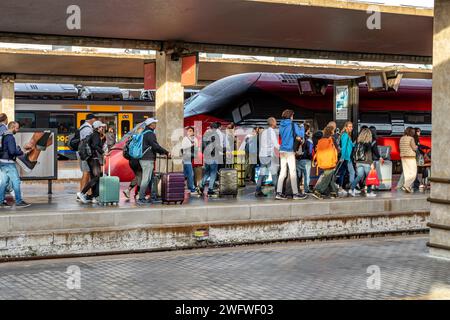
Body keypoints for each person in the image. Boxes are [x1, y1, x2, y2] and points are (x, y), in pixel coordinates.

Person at [137, 118, 170, 205]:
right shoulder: (150, 134)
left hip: (144, 158)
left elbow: (152, 146)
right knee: (146, 179)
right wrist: (166, 152)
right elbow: (155, 146)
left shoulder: (144, 133)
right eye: (154, 123)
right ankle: (141, 198)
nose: (155, 125)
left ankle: (153, 196)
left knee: (151, 179)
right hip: (147, 159)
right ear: (150, 125)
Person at [275, 109, 307, 201]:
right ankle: (295, 193)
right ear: (291, 116)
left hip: (282, 150)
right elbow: (300, 134)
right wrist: (302, 127)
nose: (293, 117)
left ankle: (279, 193)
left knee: (282, 172)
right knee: (292, 172)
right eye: (293, 115)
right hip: (289, 151)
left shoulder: (281, 125)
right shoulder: (293, 124)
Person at [0, 121, 31, 208]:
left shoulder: (4, 135)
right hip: (9, 163)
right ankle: (19, 201)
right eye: (17, 128)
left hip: (2, 162)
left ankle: (0, 201)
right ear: (13, 127)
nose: (17, 130)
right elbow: (12, 151)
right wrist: (20, 151)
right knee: (16, 182)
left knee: (4, 183)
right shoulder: (10, 137)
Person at [77, 121, 107, 204]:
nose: (102, 128)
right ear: (97, 128)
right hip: (94, 158)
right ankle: (82, 193)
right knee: (96, 177)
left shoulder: (95, 135)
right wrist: (103, 152)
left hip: (91, 159)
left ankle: (93, 196)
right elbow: (95, 145)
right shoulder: (95, 135)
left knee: (95, 177)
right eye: (101, 127)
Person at [311, 126, 339, 200]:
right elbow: (337, 150)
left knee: (329, 176)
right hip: (331, 161)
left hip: (323, 161)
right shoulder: (332, 139)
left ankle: (334, 192)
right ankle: (317, 191)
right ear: (331, 132)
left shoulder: (321, 140)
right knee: (327, 176)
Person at [349, 128, 379, 197]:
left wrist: (355, 161)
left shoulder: (358, 142)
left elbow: (354, 152)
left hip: (358, 162)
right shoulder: (368, 143)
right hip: (366, 162)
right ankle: (369, 192)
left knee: (359, 176)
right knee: (369, 177)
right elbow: (368, 155)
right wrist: (371, 163)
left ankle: (351, 189)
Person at [255, 117, 280, 197]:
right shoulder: (271, 131)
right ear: (272, 123)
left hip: (262, 155)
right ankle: (278, 192)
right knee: (274, 174)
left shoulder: (264, 131)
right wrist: (284, 149)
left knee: (262, 174)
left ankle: (257, 191)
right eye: (275, 121)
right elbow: (276, 144)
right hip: (268, 155)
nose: (276, 123)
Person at [198, 122, 222, 197]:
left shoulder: (205, 135)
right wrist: (223, 150)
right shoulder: (216, 135)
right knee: (213, 173)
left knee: (207, 172)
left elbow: (201, 146)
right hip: (213, 156)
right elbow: (217, 146)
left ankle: (201, 184)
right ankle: (210, 189)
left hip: (206, 157)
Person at [77, 114, 97, 202]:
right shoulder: (87, 128)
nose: (95, 121)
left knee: (85, 173)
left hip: (82, 153)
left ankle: (82, 193)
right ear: (91, 119)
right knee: (86, 172)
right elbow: (88, 142)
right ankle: (82, 193)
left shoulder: (83, 127)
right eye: (94, 119)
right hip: (85, 154)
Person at [337, 121, 355, 195]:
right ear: (346, 127)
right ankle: (350, 188)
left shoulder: (347, 135)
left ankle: (342, 188)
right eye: (349, 126)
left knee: (343, 172)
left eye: (352, 126)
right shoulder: (345, 135)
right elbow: (344, 147)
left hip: (347, 157)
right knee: (348, 172)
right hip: (345, 157)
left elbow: (350, 146)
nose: (351, 128)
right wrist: (342, 157)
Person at [296, 123, 314, 194]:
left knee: (298, 175)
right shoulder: (308, 139)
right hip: (306, 160)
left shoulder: (298, 137)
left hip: (298, 159)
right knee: (307, 176)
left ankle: (297, 188)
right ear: (308, 130)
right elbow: (310, 151)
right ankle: (306, 189)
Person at [399, 127, 418, 193]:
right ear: (411, 132)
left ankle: (408, 187)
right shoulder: (411, 138)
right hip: (410, 157)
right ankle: (406, 185)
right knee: (413, 173)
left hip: (403, 157)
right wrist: (417, 146)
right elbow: (414, 148)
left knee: (407, 173)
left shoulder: (402, 138)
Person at [182, 126, 198, 194]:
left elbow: (197, 147)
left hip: (191, 157)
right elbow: (182, 147)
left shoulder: (195, 139)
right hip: (186, 158)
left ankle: (181, 185)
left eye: (191, 130)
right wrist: (191, 145)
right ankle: (191, 188)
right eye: (189, 131)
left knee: (185, 174)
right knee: (191, 173)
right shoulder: (185, 139)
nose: (190, 132)